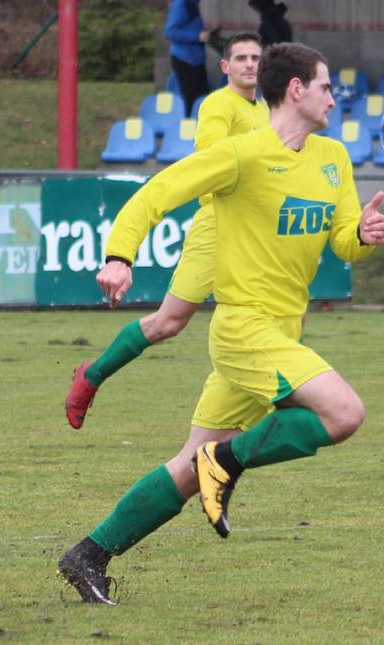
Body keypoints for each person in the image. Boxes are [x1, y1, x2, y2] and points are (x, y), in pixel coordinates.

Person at [58, 41, 384, 605]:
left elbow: (340, 239)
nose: (335, 97)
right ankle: (226, 462)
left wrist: (360, 235)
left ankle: (88, 555)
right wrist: (119, 255)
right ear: (296, 90)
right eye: (327, 87)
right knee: (343, 413)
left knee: (187, 469)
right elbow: (157, 192)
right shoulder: (242, 155)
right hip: (244, 331)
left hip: (283, 333)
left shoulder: (333, 158)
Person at [65, 32, 269, 430]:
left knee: (268, 318)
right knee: (168, 323)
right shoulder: (218, 105)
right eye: (241, 57)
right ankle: (91, 377)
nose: (249, 64)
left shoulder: (266, 111)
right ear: (225, 66)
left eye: (256, 58)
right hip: (220, 225)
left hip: (256, 232)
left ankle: (254, 414)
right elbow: (211, 165)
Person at [165, 0, 211, 117]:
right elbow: (170, 32)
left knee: (202, 99)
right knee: (192, 101)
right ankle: (190, 132)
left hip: (196, 59)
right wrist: (197, 36)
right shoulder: (181, 4)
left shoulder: (192, 4)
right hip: (185, 59)